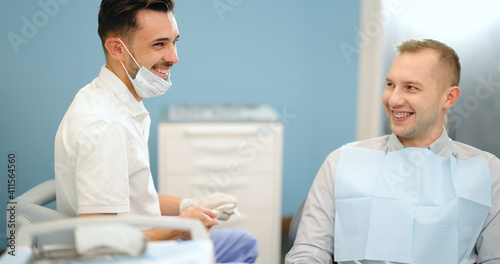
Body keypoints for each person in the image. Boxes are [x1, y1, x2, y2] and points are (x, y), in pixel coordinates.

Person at [54, 0, 258, 263]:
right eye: (159, 44)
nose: (173, 57)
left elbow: (128, 197)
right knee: (243, 247)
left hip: (143, 238)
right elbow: (99, 245)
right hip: (133, 254)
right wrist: (180, 225)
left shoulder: (111, 100)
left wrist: (189, 206)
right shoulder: (106, 128)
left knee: (242, 243)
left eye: (174, 41)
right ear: (118, 48)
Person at [285, 39, 500, 263]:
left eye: (411, 87)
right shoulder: (341, 162)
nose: (393, 99)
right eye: (390, 85)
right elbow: (310, 250)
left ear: (449, 97)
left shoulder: (488, 174)